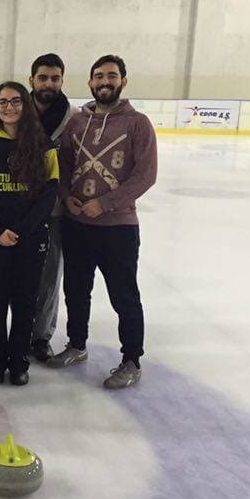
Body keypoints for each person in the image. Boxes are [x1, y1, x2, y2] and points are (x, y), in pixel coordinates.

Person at [48, 55, 157, 389]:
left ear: (123, 81)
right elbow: (63, 167)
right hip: (77, 224)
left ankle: (131, 360)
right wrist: (67, 197)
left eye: (111, 75)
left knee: (124, 295)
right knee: (76, 290)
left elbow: (145, 175)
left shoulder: (137, 123)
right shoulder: (77, 123)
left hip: (118, 228)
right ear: (90, 83)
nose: (104, 81)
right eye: (98, 76)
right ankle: (77, 344)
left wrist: (106, 203)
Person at [0, 82, 58, 386]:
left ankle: (19, 361)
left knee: (24, 303)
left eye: (15, 101)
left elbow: (49, 194)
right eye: (2, 102)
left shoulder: (43, 144)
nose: (9, 107)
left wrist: (22, 230)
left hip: (31, 239)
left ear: (25, 105)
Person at [28, 53, 78, 363]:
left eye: (55, 78)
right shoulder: (15, 112)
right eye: (43, 77)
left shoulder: (73, 118)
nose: (49, 83)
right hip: (18, 211)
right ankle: (18, 330)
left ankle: (41, 335)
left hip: (56, 212)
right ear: (31, 79)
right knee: (16, 277)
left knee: (48, 279)